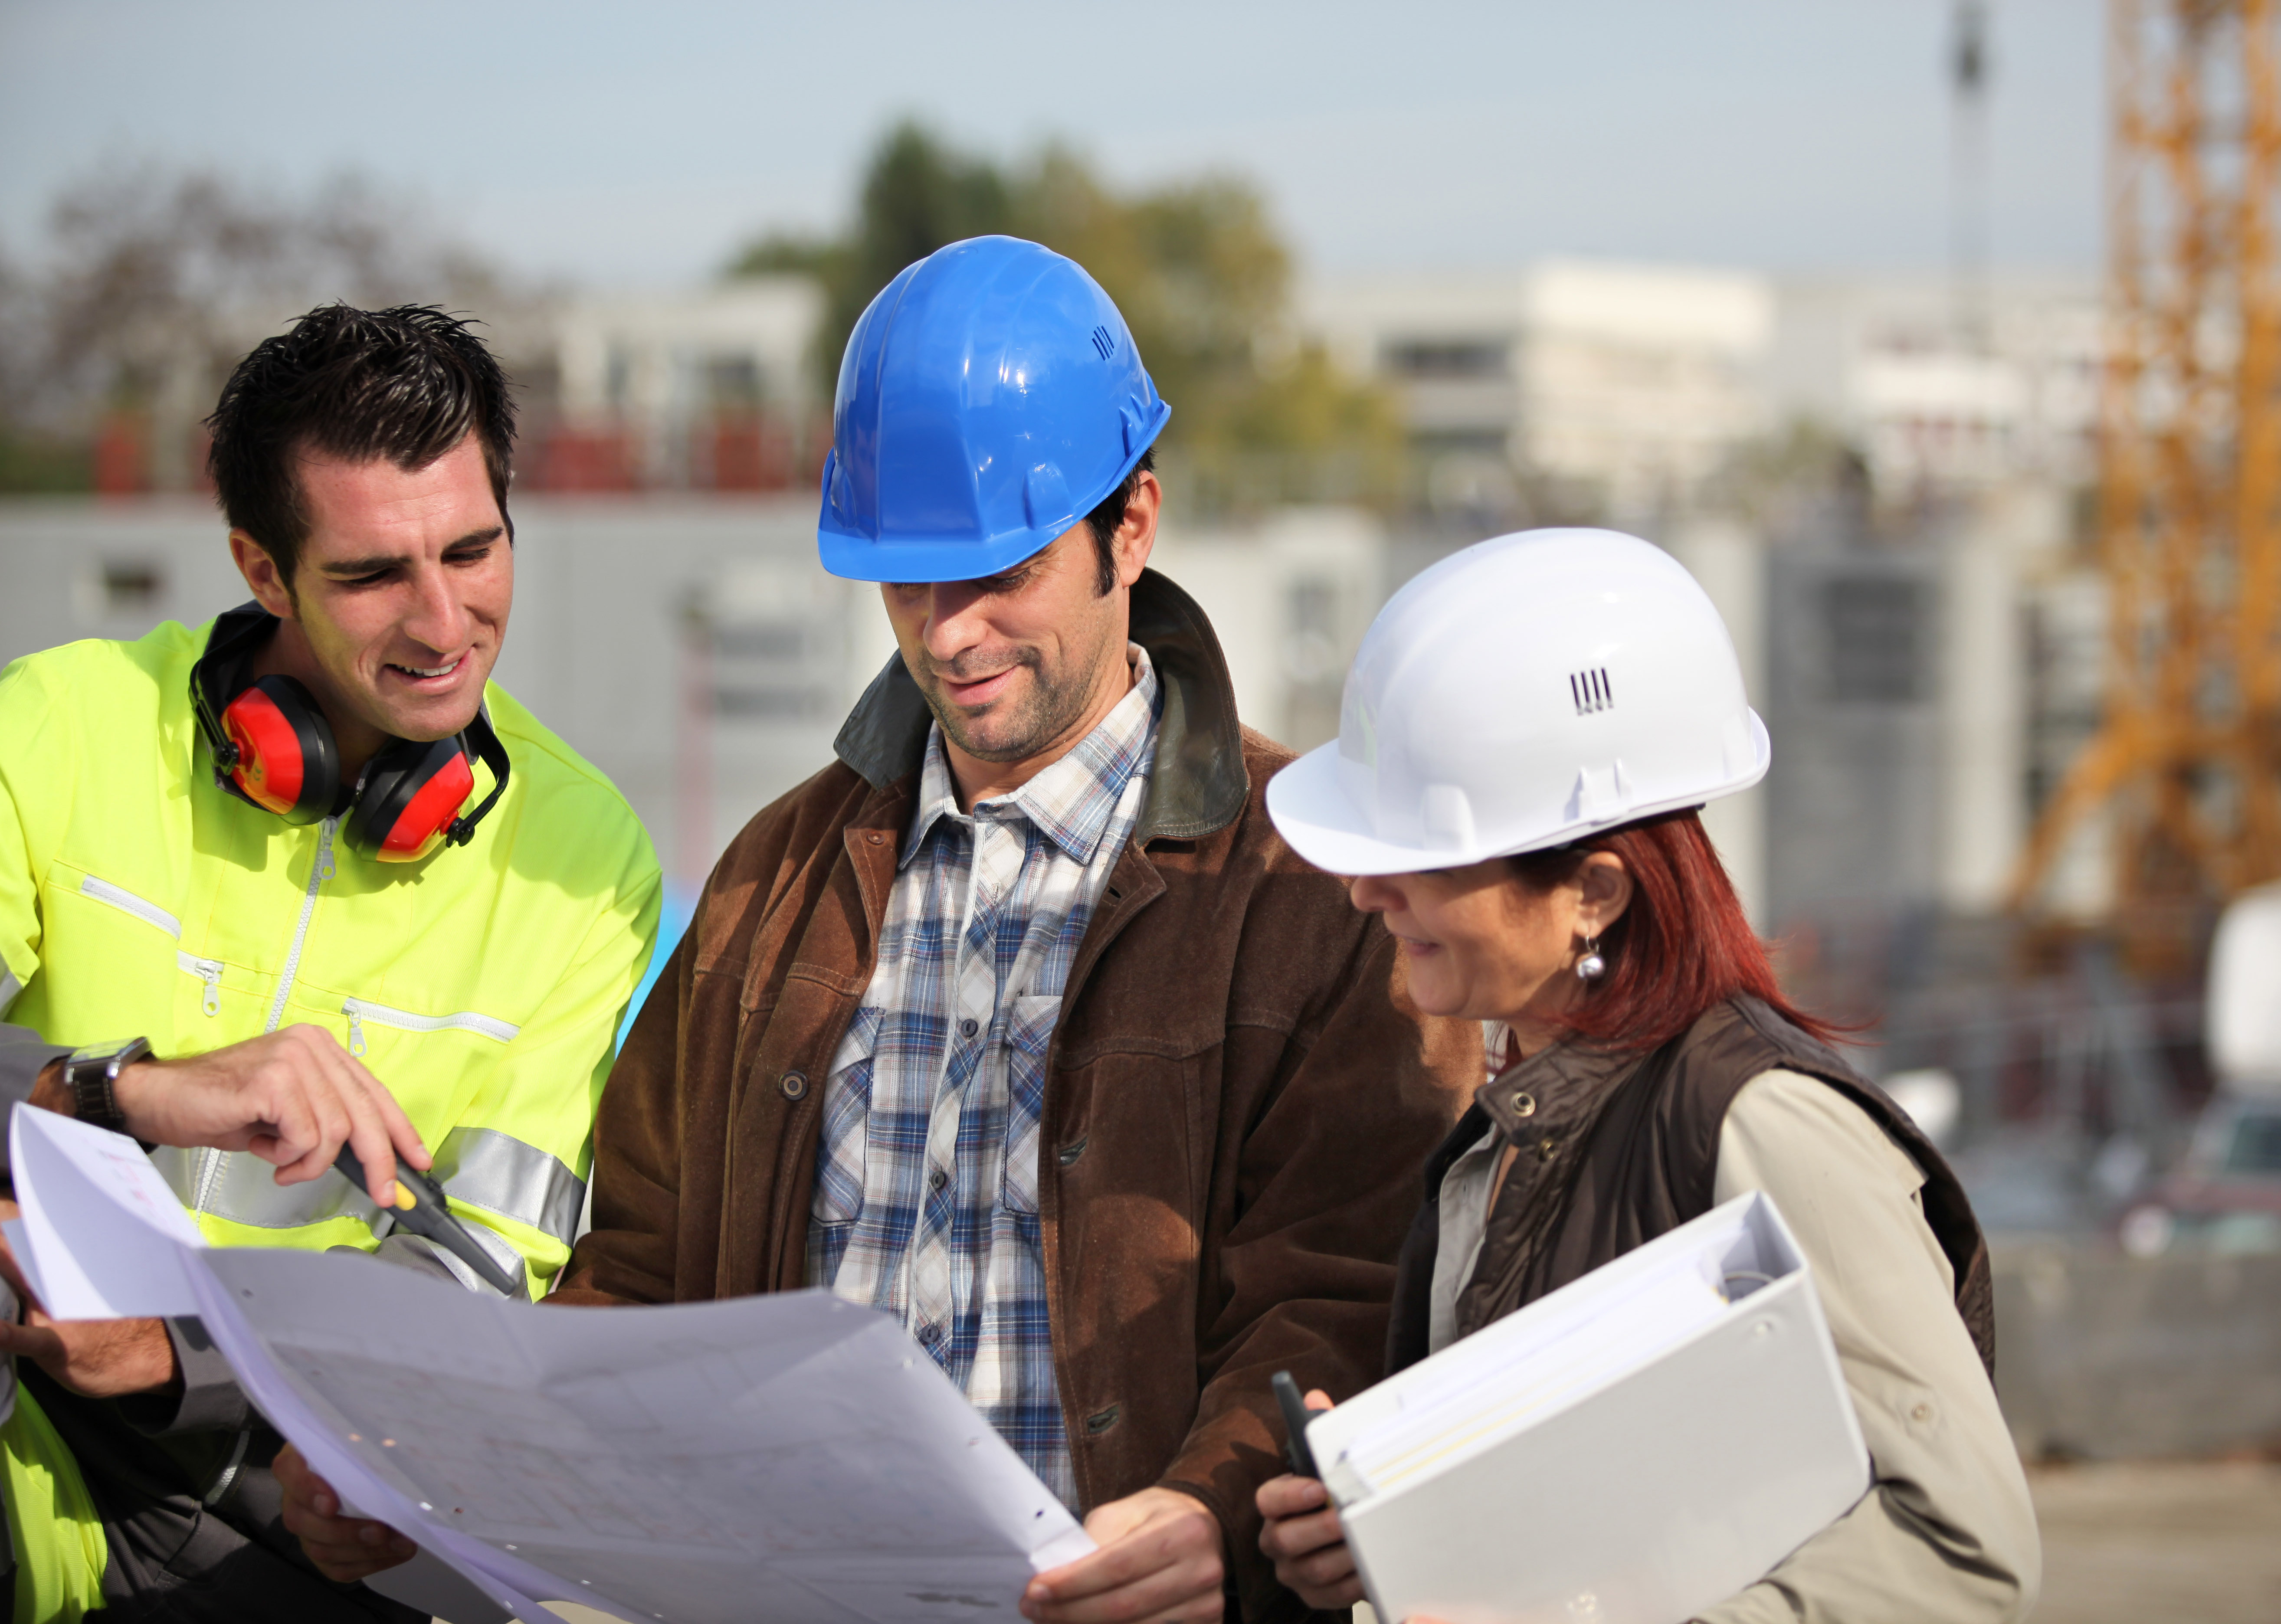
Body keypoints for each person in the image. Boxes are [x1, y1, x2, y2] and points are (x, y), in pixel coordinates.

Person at [276, 236, 1481, 1621]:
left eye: (1002, 574)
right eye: (909, 580)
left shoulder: (1313, 887)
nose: (951, 633)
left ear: (1132, 526)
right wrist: (449, 1474)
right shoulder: (772, 881)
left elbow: (1344, 1285)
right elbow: (645, 1282)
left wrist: (1215, 1513)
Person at [0, 304, 662, 1621]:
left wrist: (182, 1358)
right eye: (372, 576)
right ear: (262, 567)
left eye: (475, 551)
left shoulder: (589, 861)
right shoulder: (56, 725)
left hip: (302, 1509)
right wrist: (122, 1089)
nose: (443, 621)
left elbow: (482, 1275)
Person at [1252, 529, 2041, 1622]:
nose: (1367, 895)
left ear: (1596, 893)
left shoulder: (1765, 1126)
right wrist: (1384, 1544)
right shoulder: (1507, 1131)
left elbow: (1962, 1553)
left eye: (1421, 859)